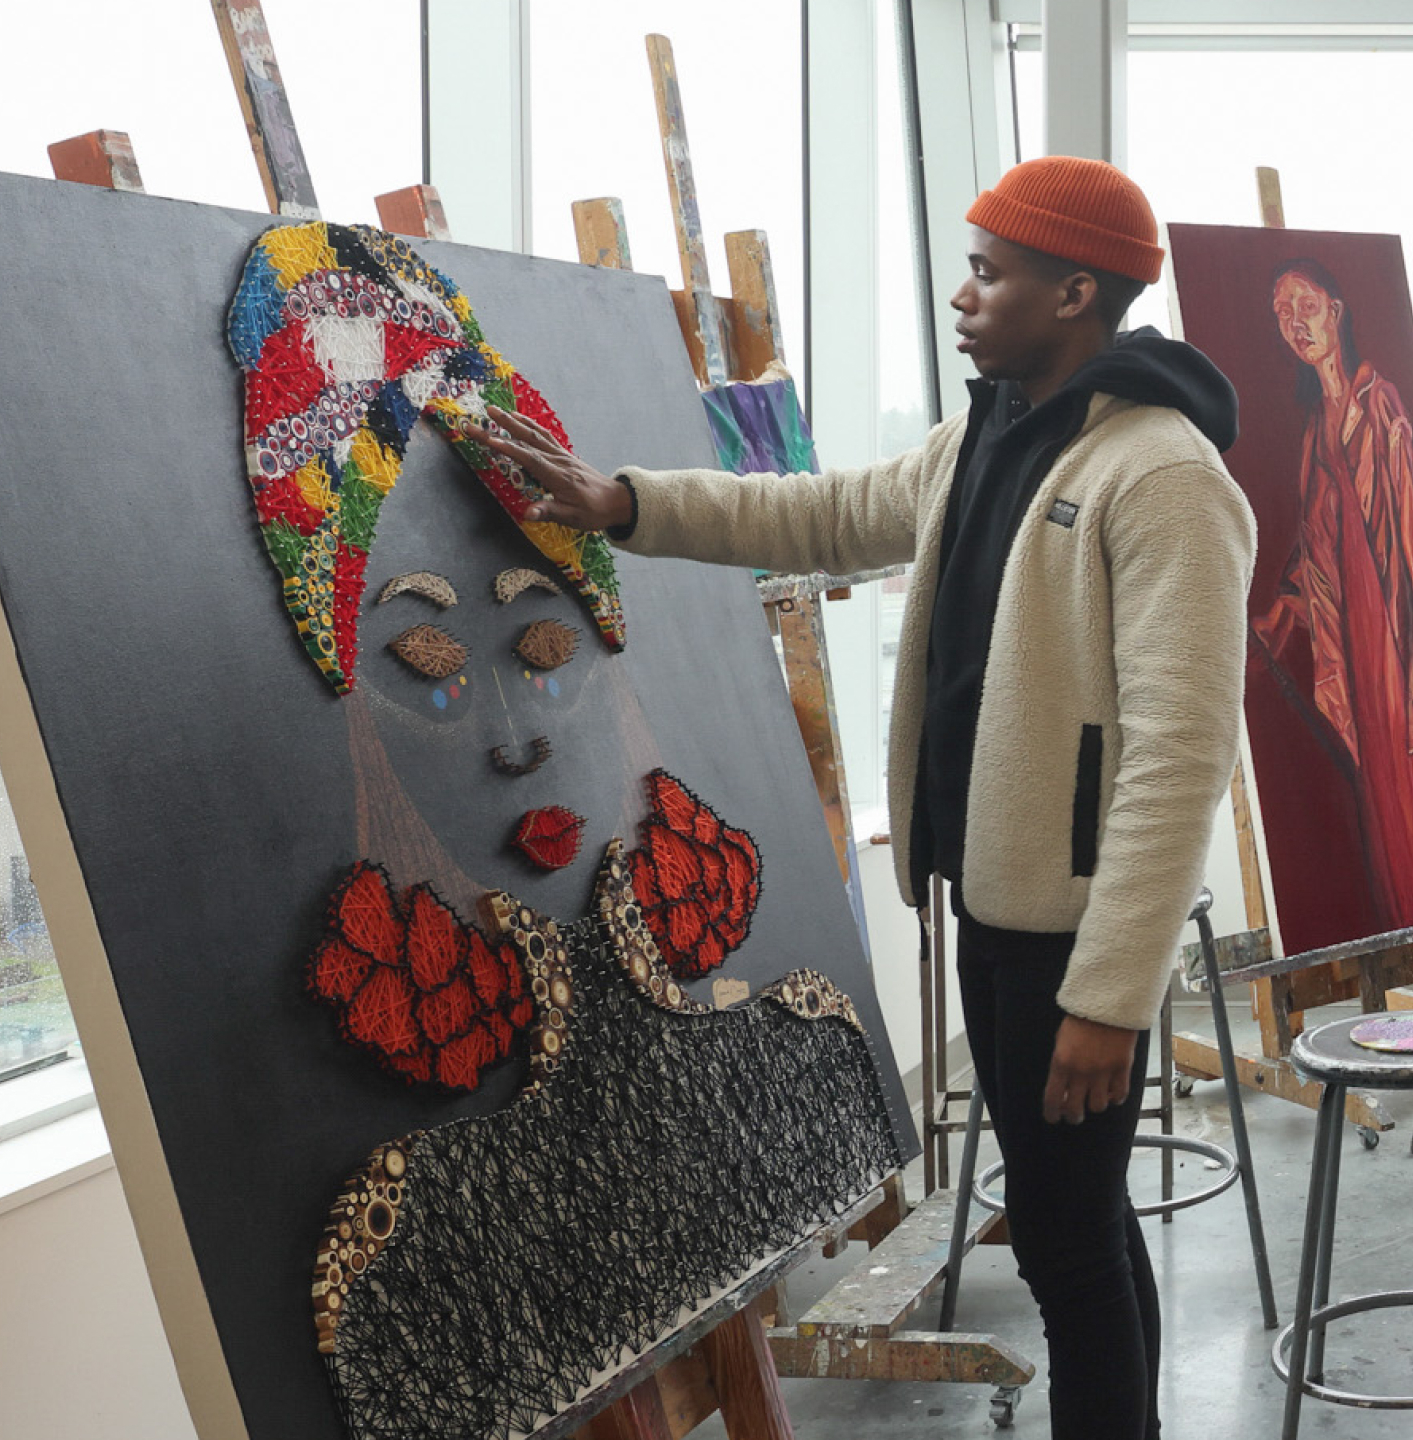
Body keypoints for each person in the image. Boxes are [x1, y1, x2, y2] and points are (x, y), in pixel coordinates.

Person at [463, 156, 1252, 1440]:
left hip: (1069, 940)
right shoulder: (984, 436)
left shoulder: (1161, 477)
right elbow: (821, 516)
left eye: (989, 274)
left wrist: (1110, 997)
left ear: (1074, 292)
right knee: (1080, 1229)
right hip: (994, 911)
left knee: (1063, 1249)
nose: (962, 295)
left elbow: (1178, 760)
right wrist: (627, 506)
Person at [1251, 258, 1413, 930]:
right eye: (1283, 314)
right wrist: (1282, 614)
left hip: (1393, 630)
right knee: (1375, 786)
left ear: (1335, 312)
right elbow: (1313, 547)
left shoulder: (1380, 402)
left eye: (1306, 305)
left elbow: (1411, 525)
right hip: (1345, 630)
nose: (1295, 324)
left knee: (1407, 783)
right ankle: (1407, 937)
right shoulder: (1318, 425)